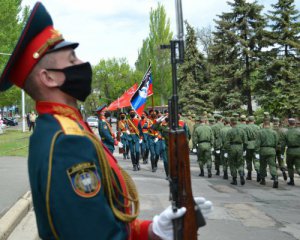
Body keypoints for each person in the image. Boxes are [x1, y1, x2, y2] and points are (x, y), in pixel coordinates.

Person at [0, 3, 212, 239]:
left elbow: (104, 222)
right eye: (72, 59)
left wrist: (151, 230)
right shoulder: (66, 141)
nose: (81, 64)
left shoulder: (66, 127)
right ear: (48, 77)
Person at [255, 120, 279, 188]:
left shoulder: (260, 132)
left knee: (262, 165)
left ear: (263, 125)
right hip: (271, 150)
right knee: (272, 165)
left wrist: (256, 151)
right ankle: (275, 178)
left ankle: (263, 180)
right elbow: (276, 142)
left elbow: (257, 143)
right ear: (270, 125)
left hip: (263, 150)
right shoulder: (274, 132)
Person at [225, 117, 247, 185]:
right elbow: (245, 142)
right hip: (240, 147)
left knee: (232, 164)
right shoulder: (242, 131)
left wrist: (227, 150)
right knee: (240, 163)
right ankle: (241, 175)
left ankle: (234, 179)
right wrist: (244, 150)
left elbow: (227, 142)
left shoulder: (230, 131)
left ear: (231, 123)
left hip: (232, 147)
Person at [281, 118, 300, 186]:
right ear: (295, 123)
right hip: (298, 150)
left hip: (290, 151)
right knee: (298, 167)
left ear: (288, 123)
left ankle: (292, 180)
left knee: (290, 166)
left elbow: (283, 144)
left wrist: (282, 153)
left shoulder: (286, 132)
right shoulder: (299, 131)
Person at [244, 116, 260, 181]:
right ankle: (258, 172)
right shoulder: (258, 127)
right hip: (256, 145)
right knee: (256, 160)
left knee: (248, 160)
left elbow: (245, 138)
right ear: (254, 120)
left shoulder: (246, 127)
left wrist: (245, 147)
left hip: (249, 145)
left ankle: (249, 174)